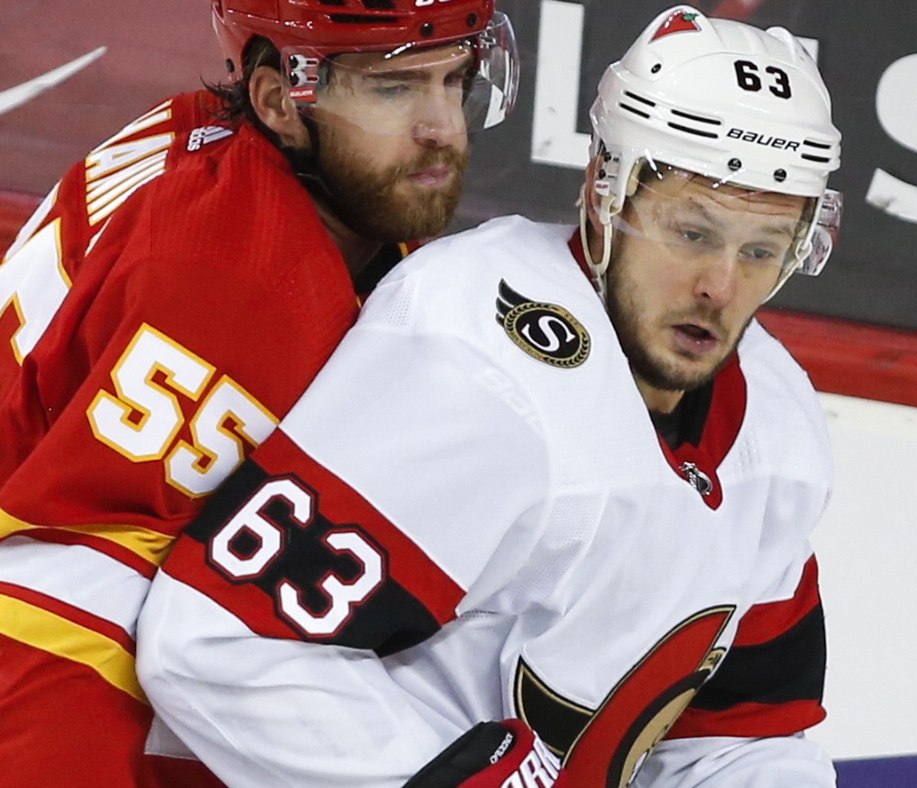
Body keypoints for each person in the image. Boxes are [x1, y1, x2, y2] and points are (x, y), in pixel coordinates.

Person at [137, 5, 844, 787]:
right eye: (691, 233)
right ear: (604, 193)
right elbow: (224, 644)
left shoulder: (778, 431)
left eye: (761, 250)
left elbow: (740, 737)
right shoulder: (476, 356)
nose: (720, 286)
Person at [0, 0, 518, 785]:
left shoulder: (227, 137)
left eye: (456, 80)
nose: (443, 127)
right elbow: (66, 587)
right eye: (393, 89)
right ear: (279, 99)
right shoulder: (240, 293)